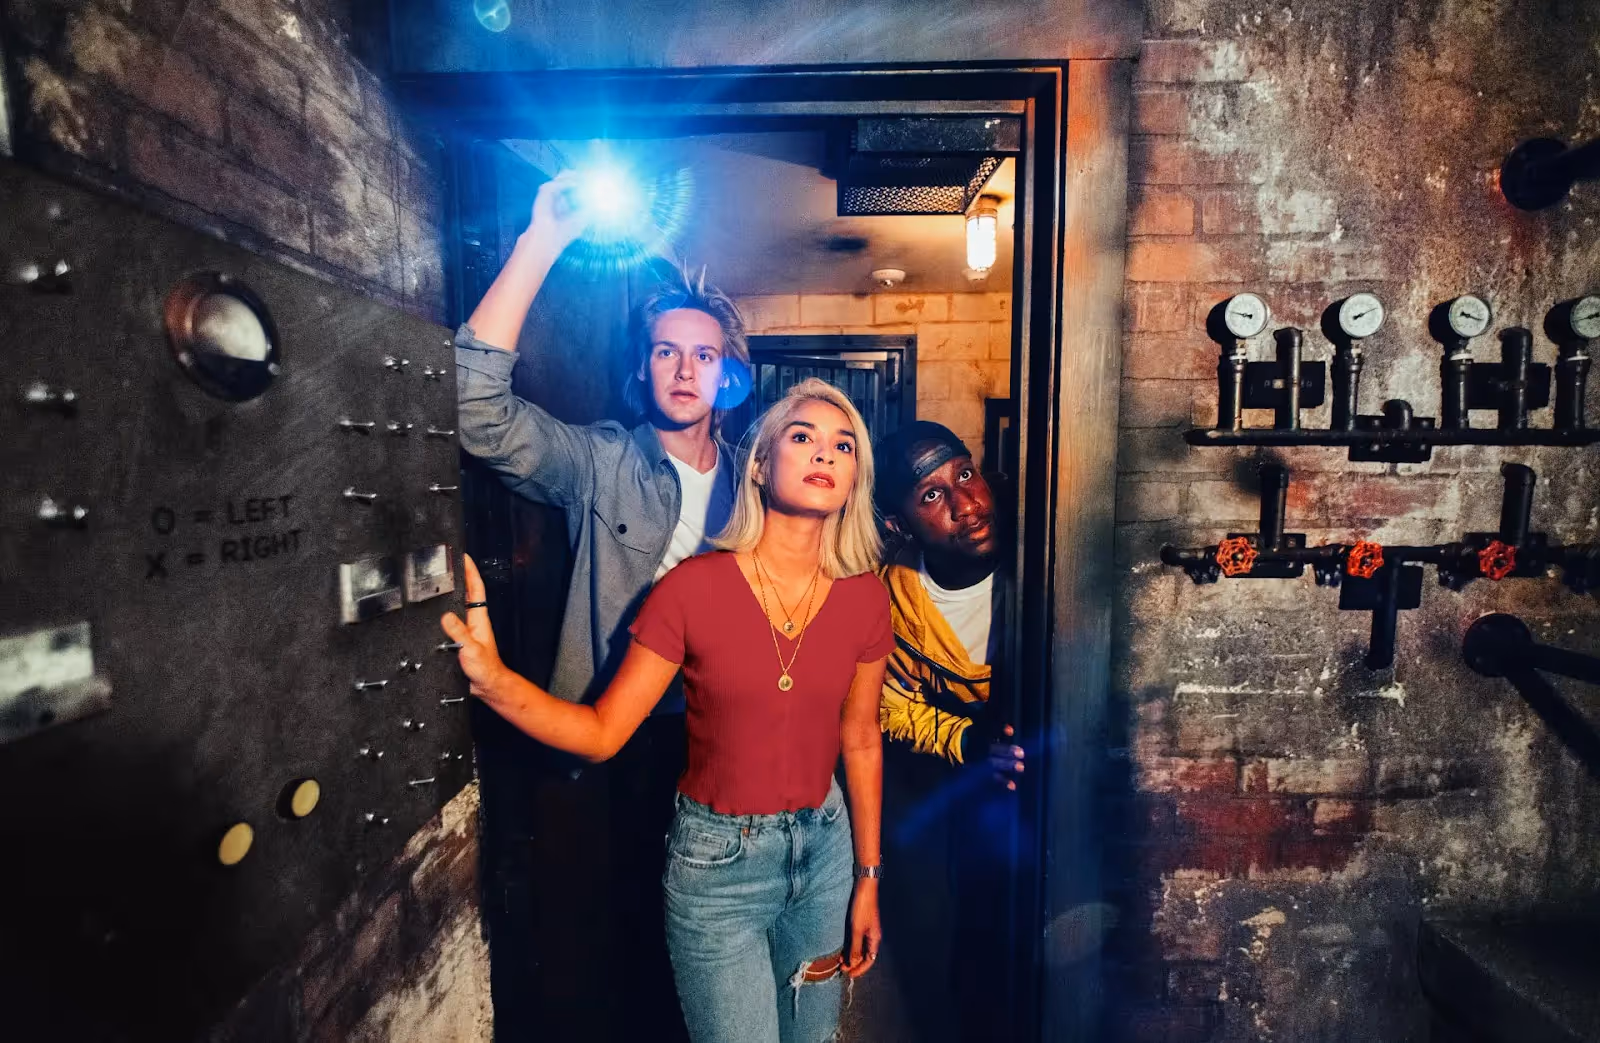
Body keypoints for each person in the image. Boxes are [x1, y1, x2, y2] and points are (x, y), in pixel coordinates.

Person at [442, 379, 894, 1043]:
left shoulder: (866, 600)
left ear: (855, 478)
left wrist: (868, 877)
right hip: (719, 869)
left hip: (826, 851)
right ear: (760, 465)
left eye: (843, 445)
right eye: (802, 436)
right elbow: (602, 733)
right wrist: (493, 681)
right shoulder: (693, 590)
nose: (824, 453)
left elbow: (861, 739)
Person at [454, 170, 750, 1038]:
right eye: (666, 351)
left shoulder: (756, 483)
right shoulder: (602, 460)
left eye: (704, 355)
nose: (685, 369)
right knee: (617, 931)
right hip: (614, 732)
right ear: (642, 367)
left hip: (725, 736)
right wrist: (540, 240)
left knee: (714, 931)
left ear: (729, 375)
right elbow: (475, 412)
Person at [868, 420, 1026, 1042]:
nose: (966, 503)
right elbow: (889, 707)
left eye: (965, 474)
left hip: (1037, 777)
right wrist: (966, 741)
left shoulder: (1041, 553)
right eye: (932, 495)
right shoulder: (893, 601)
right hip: (947, 778)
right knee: (943, 929)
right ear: (900, 525)